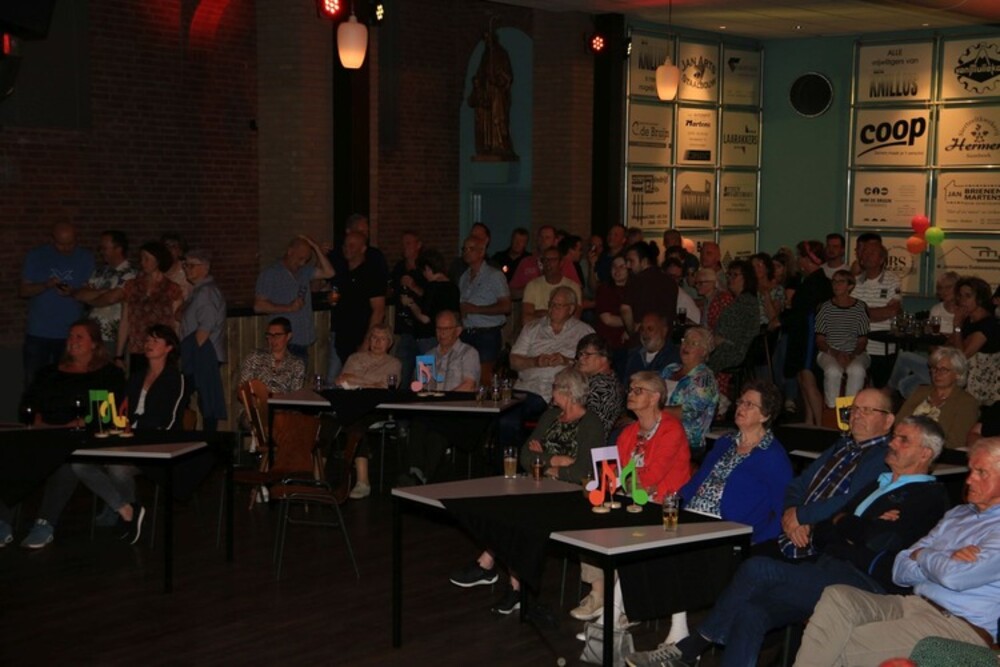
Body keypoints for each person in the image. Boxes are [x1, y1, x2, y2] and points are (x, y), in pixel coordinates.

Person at [627, 416, 950, 667]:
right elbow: (826, 530)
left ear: (925, 453)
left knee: (758, 568)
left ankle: (691, 647)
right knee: (751, 611)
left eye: (903, 440)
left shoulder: (928, 496)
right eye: (895, 436)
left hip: (863, 584)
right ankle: (693, 650)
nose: (892, 443)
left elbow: (879, 541)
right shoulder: (879, 482)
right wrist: (846, 526)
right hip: (827, 568)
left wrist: (844, 524)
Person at [795, 435, 1000, 667]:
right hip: (914, 604)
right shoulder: (958, 514)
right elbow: (900, 569)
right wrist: (942, 559)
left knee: (844, 642)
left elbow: (955, 577)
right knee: (838, 598)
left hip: (959, 626)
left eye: (981, 472)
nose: (970, 479)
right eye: (971, 470)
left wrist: (923, 555)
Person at [450, 368, 604, 616]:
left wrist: (544, 462)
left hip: (572, 494)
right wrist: (556, 460)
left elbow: (583, 471)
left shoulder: (591, 423)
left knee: (520, 516)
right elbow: (525, 456)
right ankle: (501, 575)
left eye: (554, 387)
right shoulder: (551, 416)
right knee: (502, 505)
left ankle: (504, 578)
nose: (551, 392)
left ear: (567, 392)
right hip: (538, 483)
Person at [570, 371, 690, 623]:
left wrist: (618, 478)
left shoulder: (671, 430)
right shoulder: (628, 433)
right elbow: (614, 471)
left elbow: (650, 479)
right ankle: (599, 593)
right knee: (591, 521)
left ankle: (628, 605)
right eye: (631, 390)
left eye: (638, 391)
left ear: (655, 397)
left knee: (622, 527)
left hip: (662, 508)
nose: (630, 395)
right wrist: (601, 482)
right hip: (630, 500)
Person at [11, 319, 127, 549]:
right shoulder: (49, 372)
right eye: (70, 336)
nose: (72, 341)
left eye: (79, 337)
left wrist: (82, 423)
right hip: (44, 432)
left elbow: (107, 412)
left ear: (94, 343)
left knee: (67, 461)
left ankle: (45, 523)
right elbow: (28, 403)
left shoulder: (108, 374)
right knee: (12, 455)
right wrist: (37, 420)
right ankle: (3, 522)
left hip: (80, 436)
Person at [78, 324, 186, 531]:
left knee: (117, 469)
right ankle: (123, 508)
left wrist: (134, 432)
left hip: (156, 443)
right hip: (126, 440)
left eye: (155, 340)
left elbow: (169, 420)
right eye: (147, 340)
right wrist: (114, 427)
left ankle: (123, 514)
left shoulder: (176, 378)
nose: (148, 344)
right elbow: (122, 411)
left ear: (169, 348)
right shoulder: (136, 377)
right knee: (79, 463)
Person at [773, 388, 895, 561]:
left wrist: (801, 516)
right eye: (854, 409)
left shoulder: (885, 457)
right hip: (794, 533)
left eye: (867, 410)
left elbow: (851, 500)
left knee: (753, 567)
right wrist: (792, 511)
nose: (857, 415)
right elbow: (799, 483)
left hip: (825, 547)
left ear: (888, 421)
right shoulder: (843, 445)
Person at [500, 286, 594, 448]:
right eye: (551, 304)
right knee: (505, 417)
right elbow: (513, 361)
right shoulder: (532, 328)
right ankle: (511, 461)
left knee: (512, 418)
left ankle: (526, 457)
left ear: (571, 309)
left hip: (562, 393)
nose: (553, 309)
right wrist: (535, 361)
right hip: (527, 389)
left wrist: (566, 361)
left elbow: (593, 366)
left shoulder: (584, 332)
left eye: (559, 305)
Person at [401, 310, 481, 486]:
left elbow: (469, 385)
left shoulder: (468, 353)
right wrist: (418, 387)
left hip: (457, 411)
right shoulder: (428, 355)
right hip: (431, 409)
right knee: (418, 422)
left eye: (446, 329)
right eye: (438, 329)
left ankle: (423, 476)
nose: (441, 333)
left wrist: (441, 400)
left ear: (458, 330)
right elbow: (420, 386)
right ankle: (416, 472)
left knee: (438, 430)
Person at [19, 221, 96, 386]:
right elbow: (24, 291)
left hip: (71, 332)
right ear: (52, 240)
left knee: (70, 382)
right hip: (39, 332)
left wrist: (73, 292)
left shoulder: (85, 257)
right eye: (62, 244)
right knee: (35, 381)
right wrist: (45, 285)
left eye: (71, 243)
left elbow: (91, 292)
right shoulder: (37, 256)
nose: (67, 248)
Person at [335, 324, 402, 500]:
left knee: (356, 421)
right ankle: (315, 477)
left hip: (377, 407)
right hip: (350, 404)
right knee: (325, 422)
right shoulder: (355, 358)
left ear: (389, 343)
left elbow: (387, 386)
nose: (377, 342)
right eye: (374, 337)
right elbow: (341, 380)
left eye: (382, 338)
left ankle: (363, 481)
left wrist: (357, 380)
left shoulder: (394, 363)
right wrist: (372, 383)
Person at [254, 234, 334, 361]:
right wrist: (288, 308)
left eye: (306, 260)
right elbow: (259, 306)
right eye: (300, 258)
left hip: (302, 340)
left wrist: (316, 248)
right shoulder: (271, 274)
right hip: (284, 342)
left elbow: (329, 273)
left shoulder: (305, 271)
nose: (302, 263)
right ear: (290, 252)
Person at [886, 271, 961, 398]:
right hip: (936, 360)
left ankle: (887, 391)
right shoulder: (936, 309)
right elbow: (930, 342)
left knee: (905, 380)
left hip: (955, 365)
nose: (944, 291)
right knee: (905, 383)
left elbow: (960, 345)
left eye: (948, 287)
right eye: (940, 288)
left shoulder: (963, 311)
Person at [781, 240, 833, 426]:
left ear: (807, 259)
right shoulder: (811, 280)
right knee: (803, 379)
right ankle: (809, 420)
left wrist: (781, 320)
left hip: (809, 336)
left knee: (808, 378)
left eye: (799, 256)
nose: (797, 260)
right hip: (802, 333)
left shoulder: (817, 282)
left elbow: (804, 312)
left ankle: (819, 424)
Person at [115, 240, 183, 378]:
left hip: (162, 348)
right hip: (138, 347)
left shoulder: (172, 288)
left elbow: (176, 323)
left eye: (147, 259)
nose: (143, 262)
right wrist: (119, 354)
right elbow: (125, 320)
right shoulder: (132, 286)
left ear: (158, 260)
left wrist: (176, 350)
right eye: (141, 258)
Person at [179, 249, 227, 431]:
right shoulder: (198, 291)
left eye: (192, 265)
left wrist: (191, 356)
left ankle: (208, 439)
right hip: (199, 351)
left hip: (203, 352)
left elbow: (206, 327)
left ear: (205, 268)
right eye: (186, 265)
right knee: (202, 399)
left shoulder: (206, 292)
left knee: (205, 400)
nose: (187, 269)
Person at [330, 230, 387, 381]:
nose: (347, 248)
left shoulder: (371, 274)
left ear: (363, 248)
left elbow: (379, 311)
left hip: (361, 339)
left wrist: (366, 343)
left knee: (359, 382)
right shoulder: (342, 272)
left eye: (352, 245)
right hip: (342, 338)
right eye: (345, 245)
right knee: (339, 382)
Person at [895, 346, 978, 450]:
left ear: (958, 374)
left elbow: (956, 441)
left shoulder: (967, 402)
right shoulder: (921, 391)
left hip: (939, 453)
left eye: (944, 370)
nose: (937, 373)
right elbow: (898, 422)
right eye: (934, 368)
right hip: (904, 445)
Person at [458, 235, 511, 384]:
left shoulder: (495, 276)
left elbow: (506, 306)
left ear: (481, 252)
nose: (466, 252)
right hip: (467, 333)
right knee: (466, 376)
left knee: (485, 377)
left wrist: (476, 309)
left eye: (471, 249)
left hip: (487, 334)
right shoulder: (464, 277)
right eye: (464, 249)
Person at [72, 230, 136, 353]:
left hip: (113, 337)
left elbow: (111, 299)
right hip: (92, 334)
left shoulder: (131, 273)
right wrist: (103, 292)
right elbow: (80, 294)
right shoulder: (99, 271)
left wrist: (93, 297)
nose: (101, 252)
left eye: (104, 248)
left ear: (118, 249)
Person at [851, 233, 902, 387]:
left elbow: (892, 311)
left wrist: (863, 311)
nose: (866, 256)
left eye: (872, 253)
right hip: (858, 347)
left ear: (881, 259)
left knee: (881, 391)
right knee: (857, 386)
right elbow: (849, 312)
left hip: (884, 348)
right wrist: (878, 312)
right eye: (865, 252)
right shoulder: (854, 282)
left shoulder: (893, 280)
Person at [815, 269, 870, 408]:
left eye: (841, 282)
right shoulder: (825, 307)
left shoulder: (860, 307)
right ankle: (832, 409)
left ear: (850, 286)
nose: (836, 285)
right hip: (829, 351)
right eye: (834, 281)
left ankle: (850, 409)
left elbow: (862, 341)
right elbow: (820, 340)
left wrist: (852, 355)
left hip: (855, 351)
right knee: (833, 371)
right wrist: (835, 353)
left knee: (857, 371)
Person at [660, 326, 720, 455]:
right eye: (685, 340)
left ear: (704, 352)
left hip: (686, 442)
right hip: (659, 433)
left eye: (693, 343)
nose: (686, 345)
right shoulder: (670, 369)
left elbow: (688, 412)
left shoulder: (704, 378)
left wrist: (652, 410)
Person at [948, 275, 1000, 406]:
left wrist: (957, 326)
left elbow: (962, 357)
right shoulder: (968, 319)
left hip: (977, 386)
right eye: (960, 296)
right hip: (958, 374)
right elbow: (949, 345)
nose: (962, 301)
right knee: (909, 382)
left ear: (980, 299)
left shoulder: (988, 324)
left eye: (968, 296)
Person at [399, 248, 460, 356]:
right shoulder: (453, 287)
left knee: (426, 366)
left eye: (423, 271)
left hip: (427, 338)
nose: (424, 275)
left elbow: (425, 318)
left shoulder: (432, 287)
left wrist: (410, 303)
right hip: (447, 337)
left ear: (428, 268)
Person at [621, 241, 678, 342]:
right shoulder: (670, 281)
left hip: (642, 338)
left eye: (631, 261)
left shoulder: (635, 281)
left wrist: (631, 331)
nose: (628, 266)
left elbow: (625, 309)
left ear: (644, 261)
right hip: (665, 338)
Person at [574, 334, 626, 440]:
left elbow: (587, 426)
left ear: (604, 358)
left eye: (587, 354)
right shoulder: (594, 380)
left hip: (586, 442)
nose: (581, 359)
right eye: (580, 354)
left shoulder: (604, 387)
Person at [389, 230, 424, 384]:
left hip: (423, 331)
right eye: (403, 244)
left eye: (408, 243)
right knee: (402, 373)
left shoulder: (425, 268)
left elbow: (430, 295)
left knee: (424, 377)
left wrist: (413, 286)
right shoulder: (399, 268)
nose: (405, 247)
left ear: (418, 245)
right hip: (404, 329)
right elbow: (391, 290)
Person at [239, 317, 306, 395]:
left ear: (288, 336)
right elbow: (242, 389)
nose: (273, 339)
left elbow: (296, 395)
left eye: (277, 335)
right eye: (270, 335)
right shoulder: (254, 357)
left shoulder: (296, 364)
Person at [521, 246, 581, 325]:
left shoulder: (573, 287)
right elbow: (526, 320)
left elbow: (574, 319)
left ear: (561, 263)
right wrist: (557, 314)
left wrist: (539, 313)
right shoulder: (532, 285)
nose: (548, 263)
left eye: (552, 260)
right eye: (545, 260)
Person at [594, 254, 630, 376]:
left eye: (621, 267)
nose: (617, 270)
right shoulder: (605, 289)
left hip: (628, 346)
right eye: (614, 266)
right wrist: (631, 324)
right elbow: (607, 319)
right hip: (608, 345)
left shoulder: (635, 289)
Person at [624, 312, 679, 381]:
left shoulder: (673, 357)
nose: (644, 333)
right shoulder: (633, 355)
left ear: (664, 331)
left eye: (650, 329)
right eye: (642, 329)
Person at [509, 225, 557, 296]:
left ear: (555, 241)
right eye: (541, 237)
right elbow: (511, 292)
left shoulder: (563, 262)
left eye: (547, 238)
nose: (543, 240)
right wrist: (530, 289)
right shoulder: (526, 262)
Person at [161, 232, 193, 301]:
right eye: (166, 246)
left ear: (180, 252)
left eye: (173, 247)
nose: (169, 249)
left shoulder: (186, 270)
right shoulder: (158, 269)